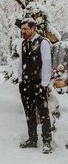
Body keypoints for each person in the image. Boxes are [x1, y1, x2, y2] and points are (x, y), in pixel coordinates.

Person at [18, 18, 52, 154]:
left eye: (26, 29)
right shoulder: (24, 43)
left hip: (38, 83)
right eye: (22, 29)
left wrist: (44, 83)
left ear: (34, 29)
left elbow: (47, 63)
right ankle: (32, 139)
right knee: (29, 112)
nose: (23, 31)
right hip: (25, 84)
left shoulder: (43, 42)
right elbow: (21, 62)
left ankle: (47, 142)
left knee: (43, 113)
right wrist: (21, 79)